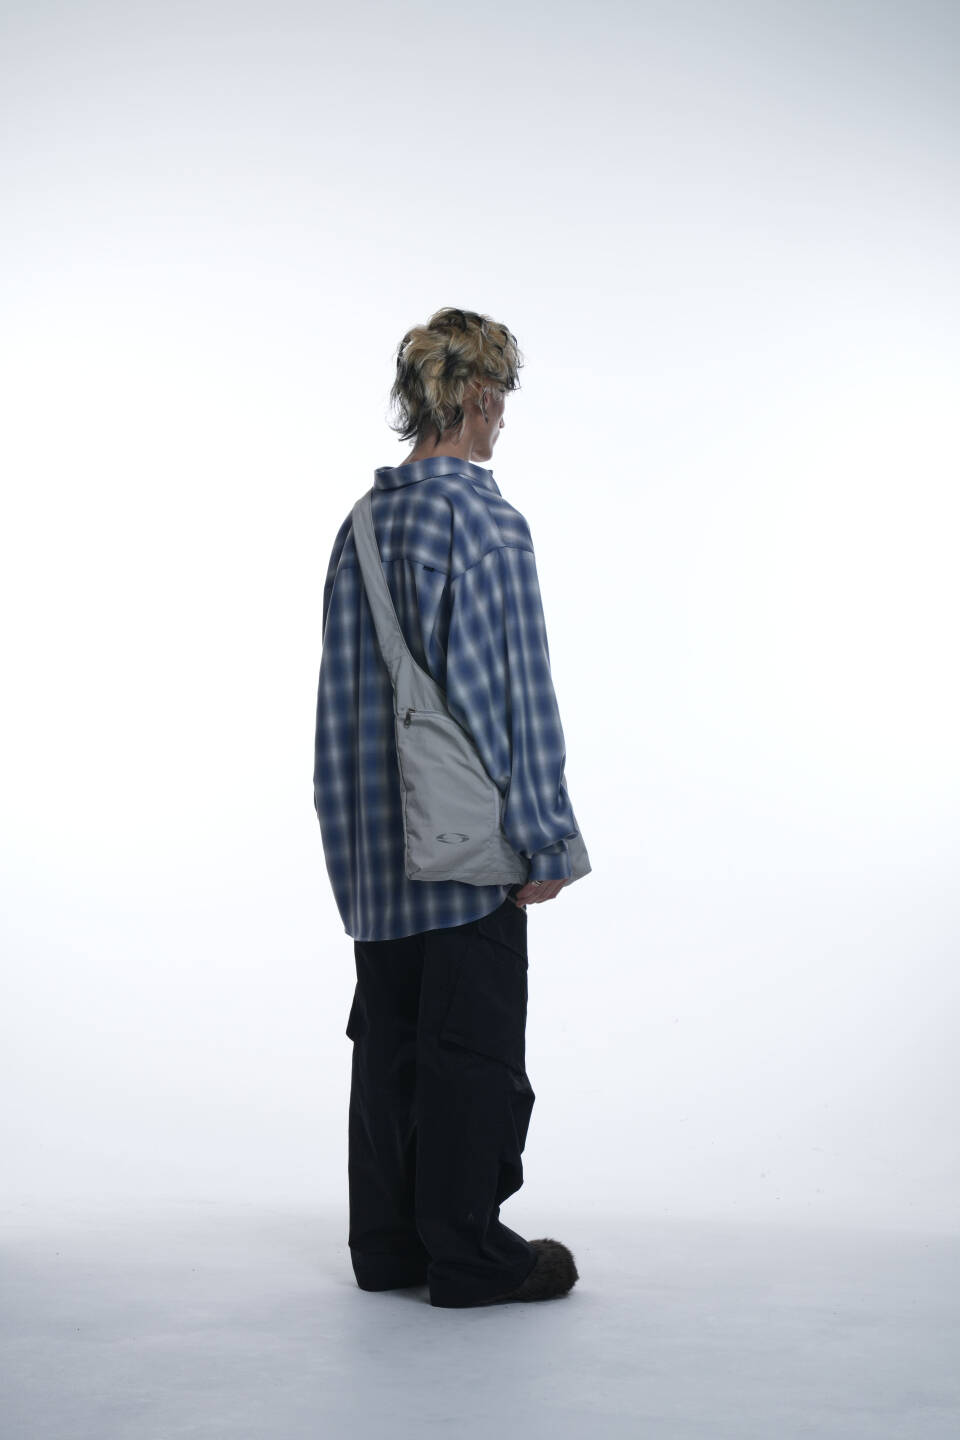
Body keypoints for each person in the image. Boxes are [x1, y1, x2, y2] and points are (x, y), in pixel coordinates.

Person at [312, 306, 587, 1307]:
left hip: (373, 842)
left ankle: (389, 1247)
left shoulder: (361, 524)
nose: (504, 415)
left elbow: (344, 698)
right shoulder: (484, 521)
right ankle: (470, 1255)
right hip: (466, 841)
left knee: (388, 1041)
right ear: (474, 395)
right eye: (501, 396)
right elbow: (513, 691)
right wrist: (545, 834)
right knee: (472, 1047)